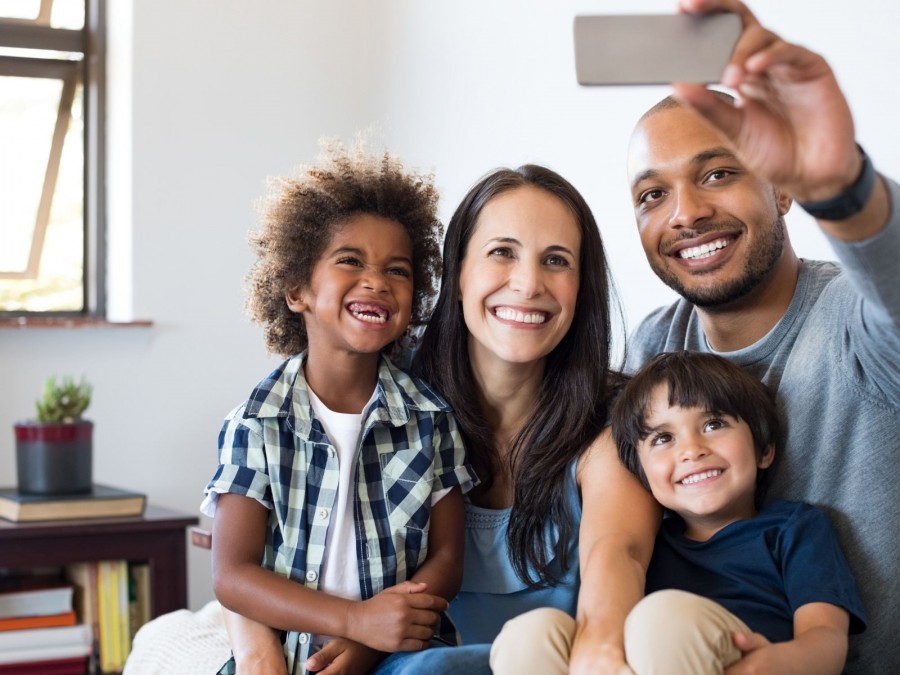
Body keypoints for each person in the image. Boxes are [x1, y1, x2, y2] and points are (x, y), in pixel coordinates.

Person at [622, 1, 900, 671]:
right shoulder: (654, 346)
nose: (686, 213)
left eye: (718, 173)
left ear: (781, 190)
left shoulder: (853, 319)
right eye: (652, 194)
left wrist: (840, 186)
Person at [201, 141, 477, 675]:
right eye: (351, 260)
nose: (376, 280)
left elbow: (447, 561)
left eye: (398, 270)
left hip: (398, 652)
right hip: (286, 657)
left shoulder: (431, 420)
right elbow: (232, 576)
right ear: (297, 289)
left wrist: (375, 638)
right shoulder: (255, 424)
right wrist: (354, 621)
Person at [613, 351, 866, 674]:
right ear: (641, 474)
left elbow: (827, 637)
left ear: (763, 450)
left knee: (660, 617)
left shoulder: (793, 528)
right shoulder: (646, 549)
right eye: (663, 438)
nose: (691, 450)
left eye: (713, 423)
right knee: (543, 629)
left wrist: (781, 663)